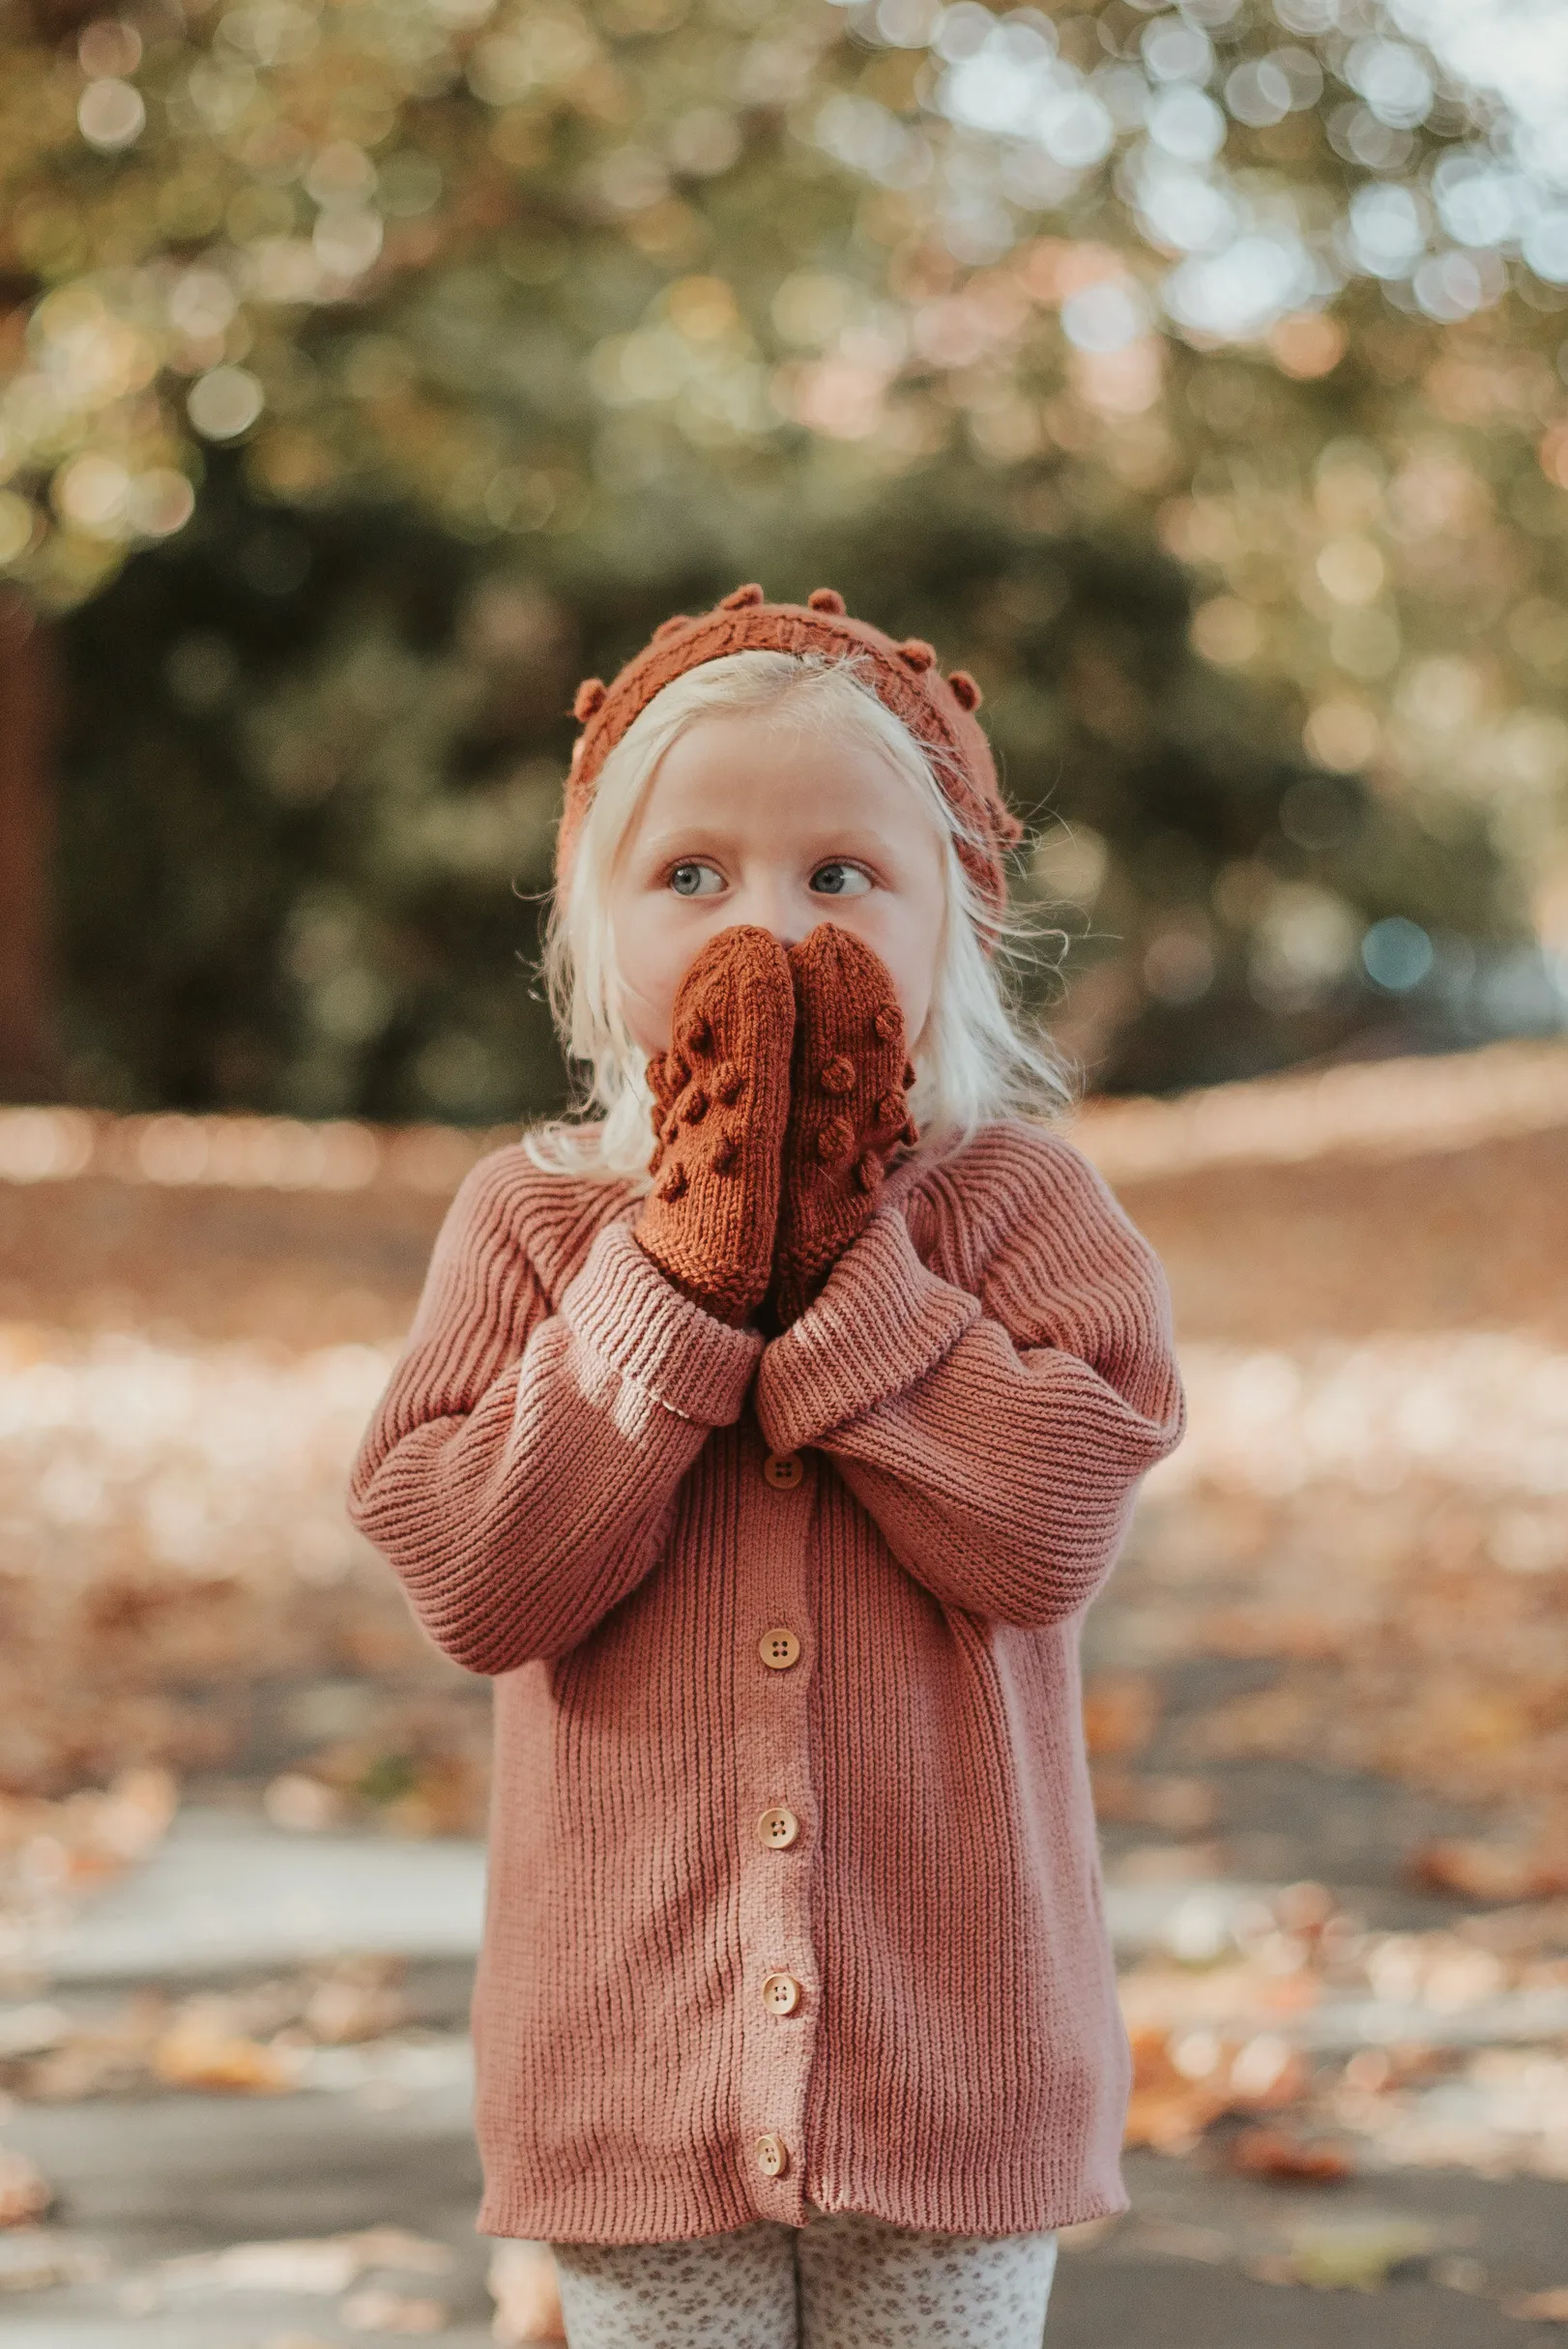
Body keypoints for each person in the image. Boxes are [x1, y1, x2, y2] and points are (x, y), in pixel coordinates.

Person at [348, 583, 1186, 2348]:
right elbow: (479, 1576)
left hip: (955, 2063)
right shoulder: (530, 1223)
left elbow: (1041, 1532)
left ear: (951, 917)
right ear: (597, 922)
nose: (770, 925)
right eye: (693, 876)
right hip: (628, 2065)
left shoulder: (1020, 1212)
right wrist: (678, 1275)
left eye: (838, 876)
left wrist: (835, 1272)